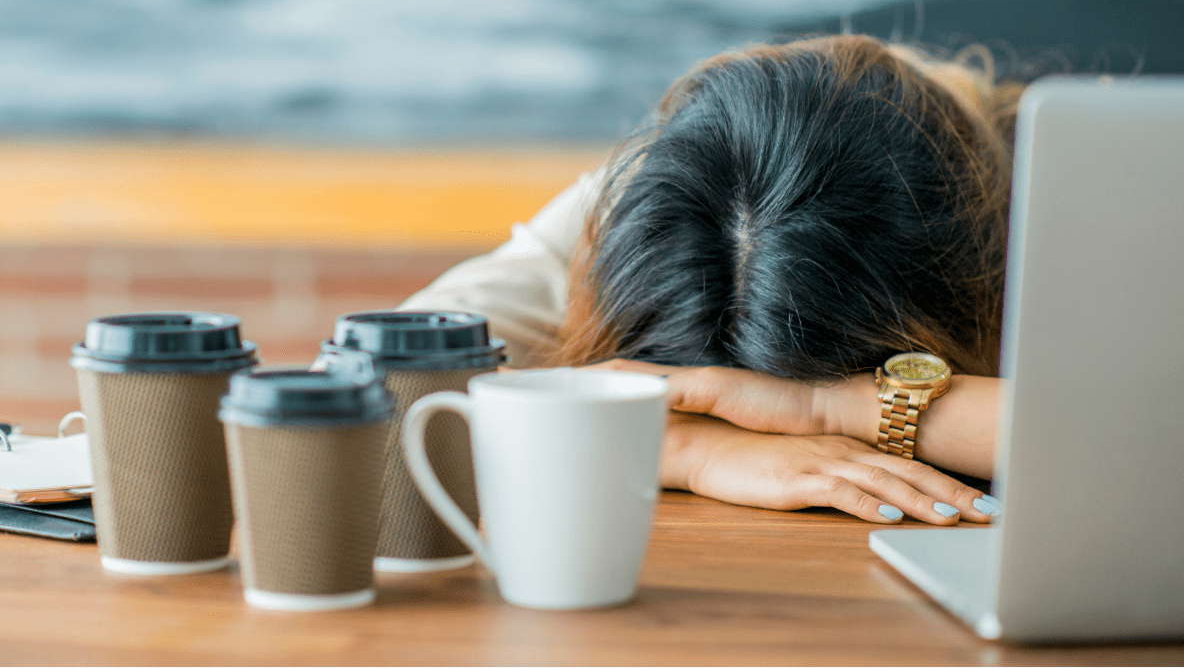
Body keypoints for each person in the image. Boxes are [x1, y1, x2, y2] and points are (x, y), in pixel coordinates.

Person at [398, 34, 1022, 526]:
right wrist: (681, 447)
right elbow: (368, 390)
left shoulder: (1065, 186)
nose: (755, 429)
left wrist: (824, 407)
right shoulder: (651, 198)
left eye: (745, 417)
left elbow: (1122, 443)